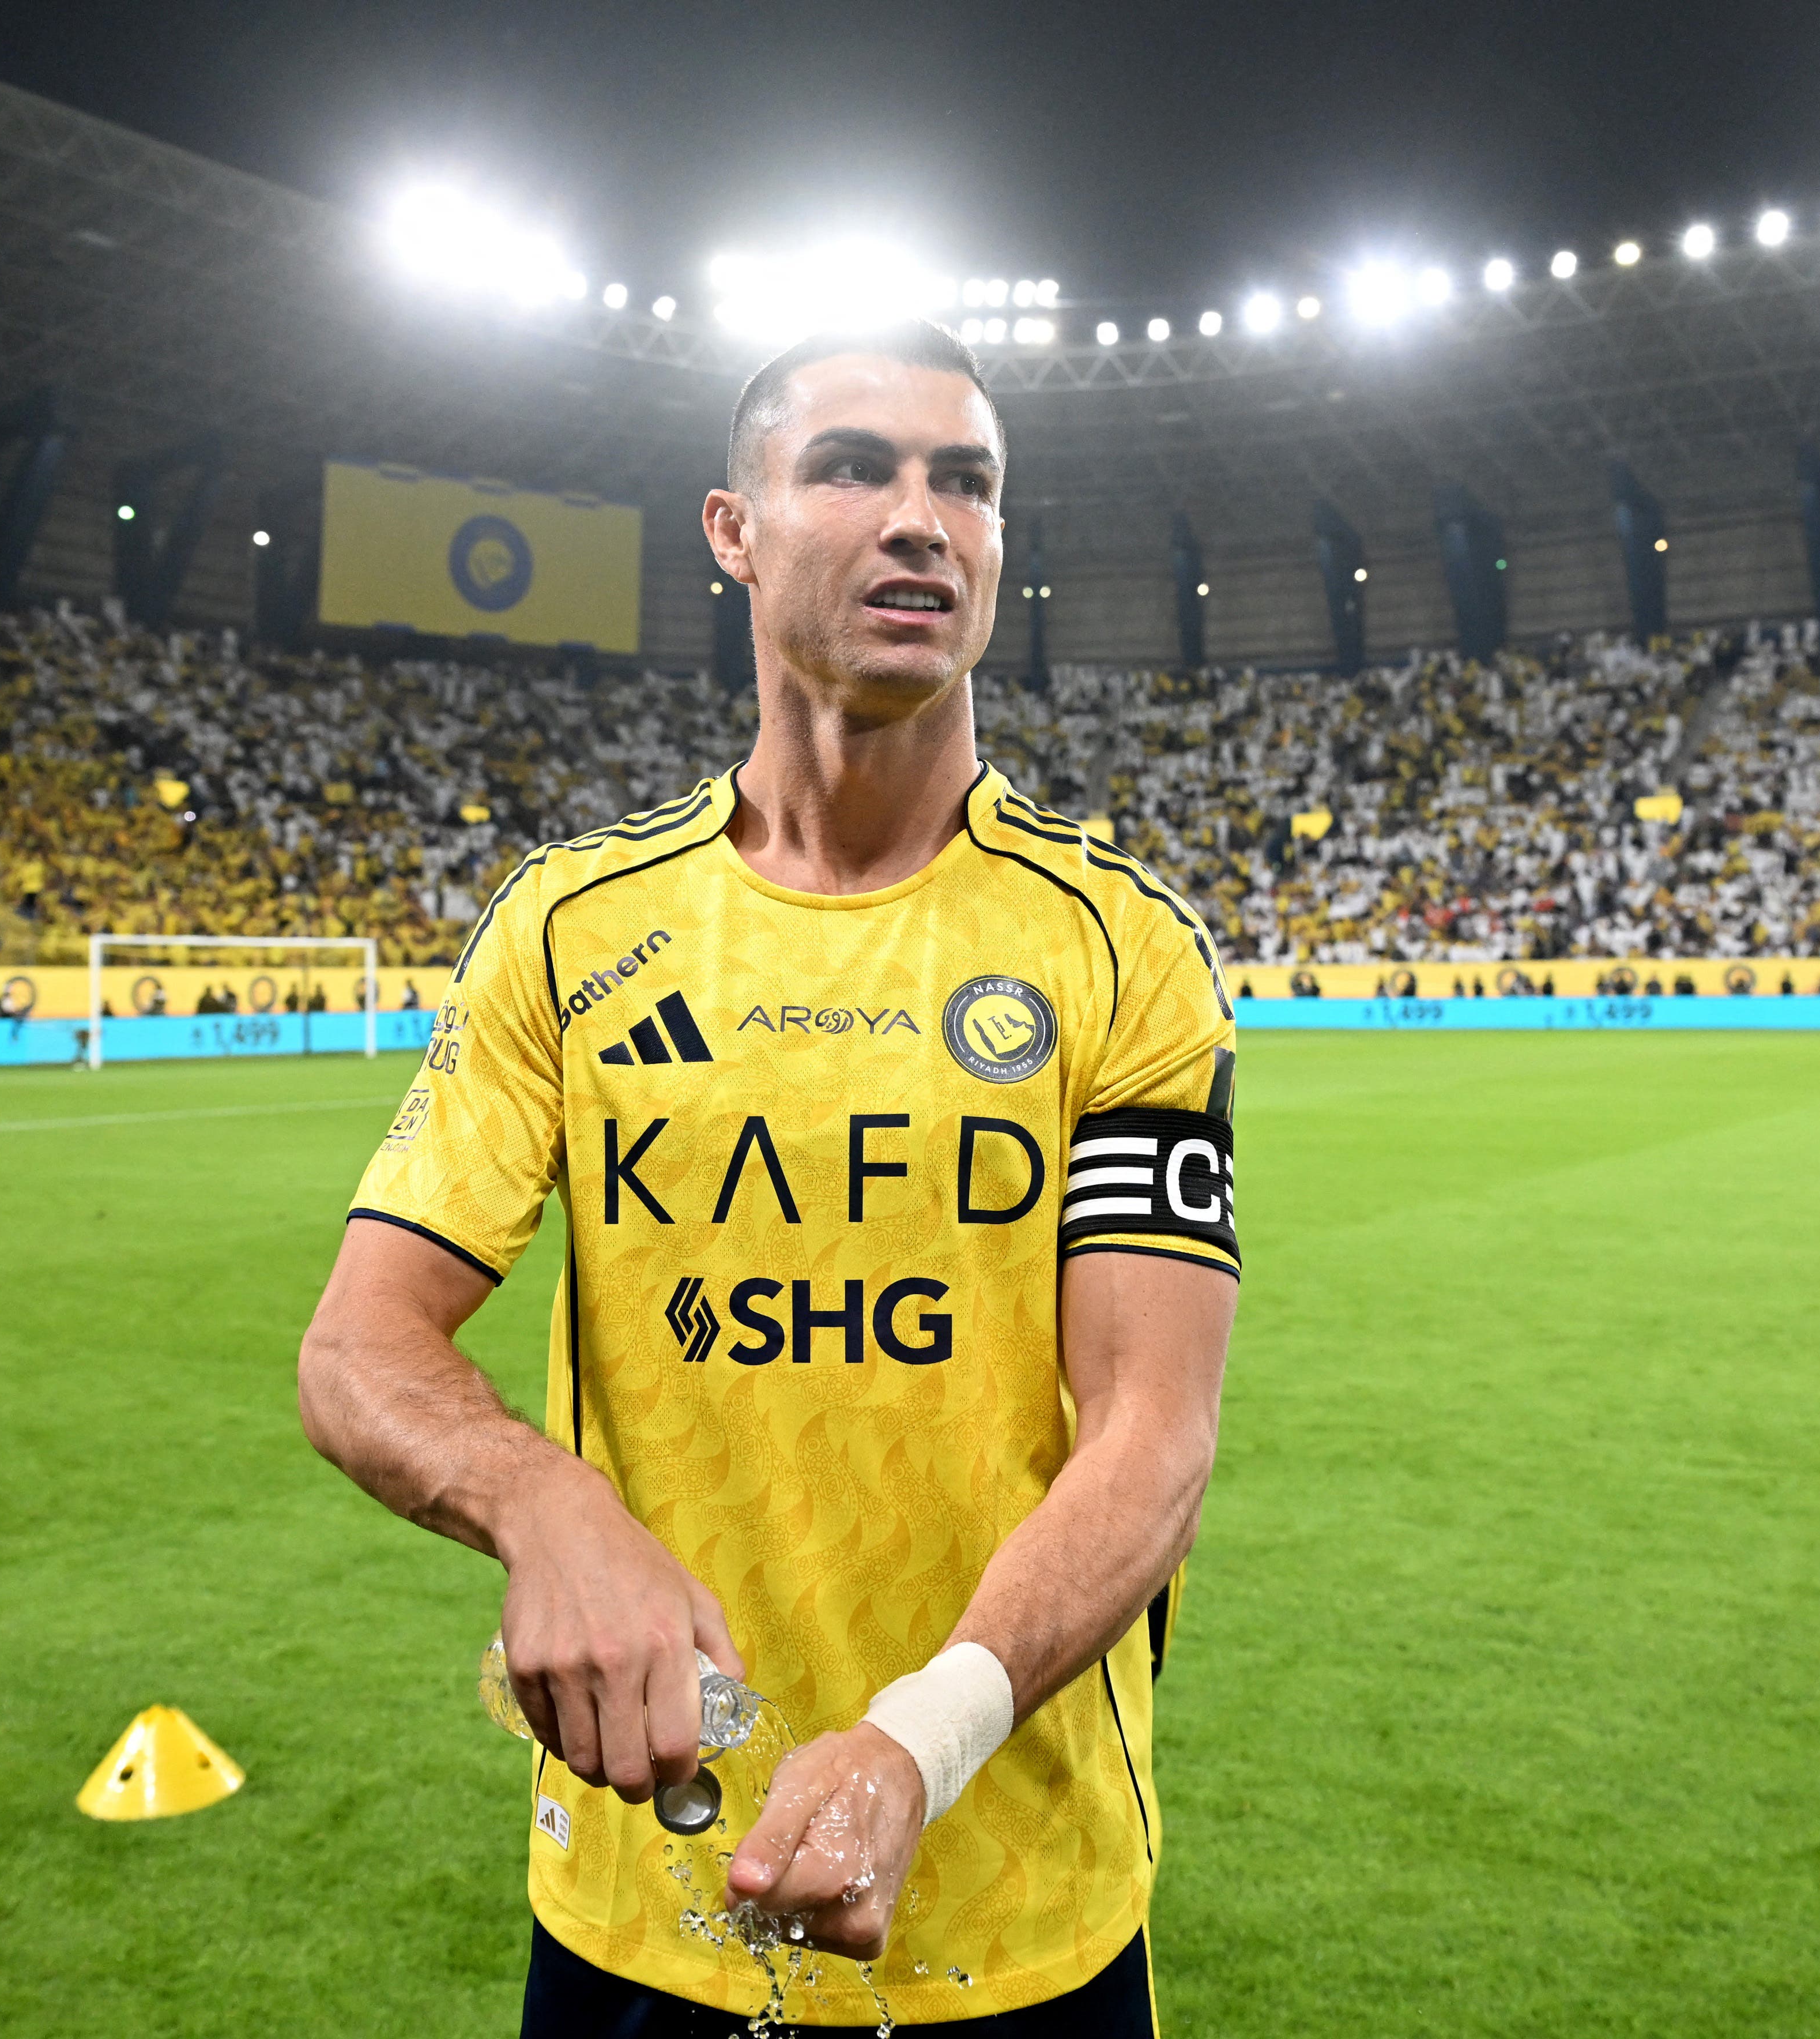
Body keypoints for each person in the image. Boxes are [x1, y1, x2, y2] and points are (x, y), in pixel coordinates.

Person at [296, 320, 1235, 2037]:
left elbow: (1154, 1431)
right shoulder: (570, 926)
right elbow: (360, 1346)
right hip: (640, 1898)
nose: (921, 517)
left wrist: (918, 1737)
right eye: (855, 466)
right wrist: (541, 1499)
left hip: (1015, 1902)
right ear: (731, 526)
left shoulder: (1122, 949)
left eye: (968, 482)